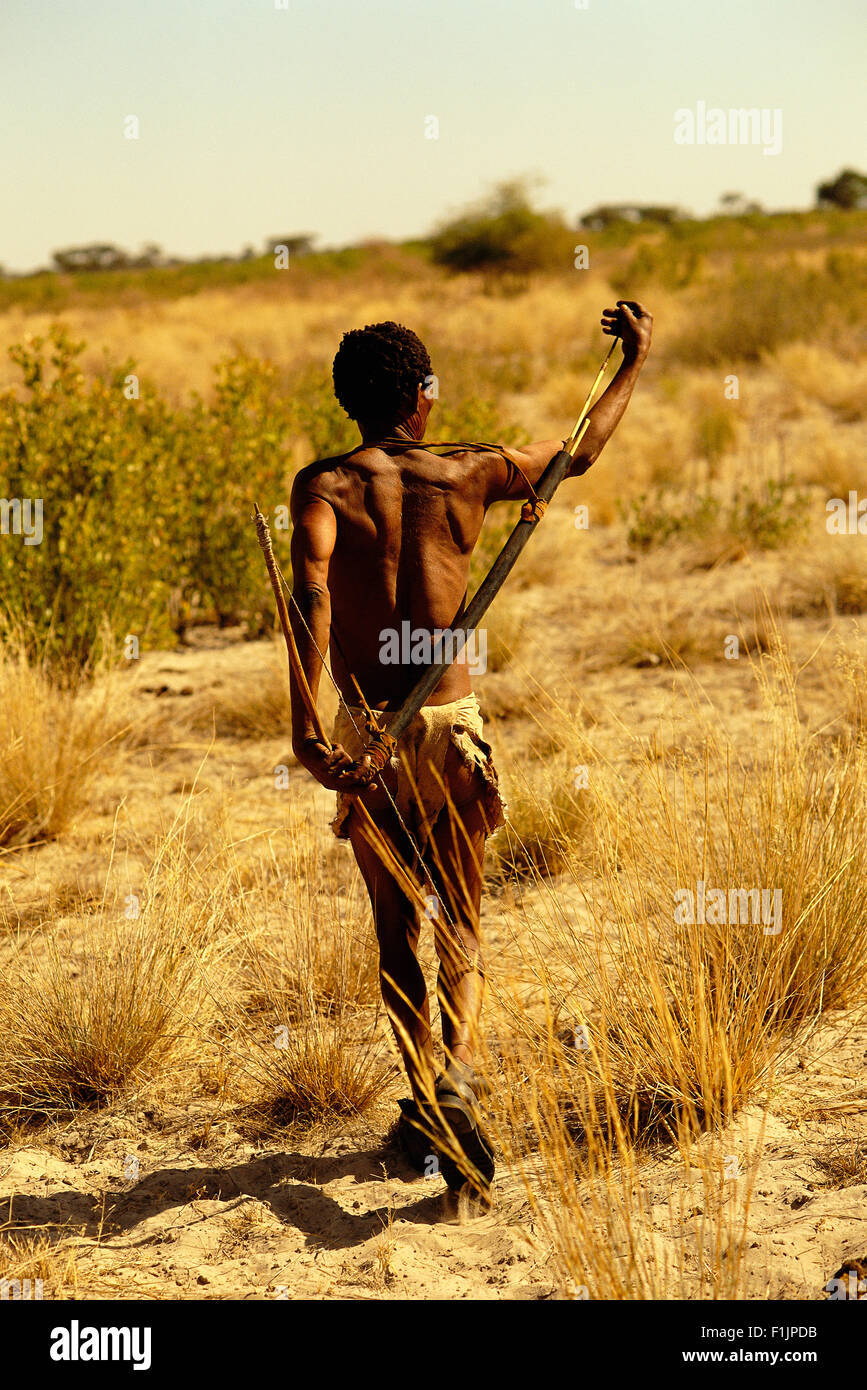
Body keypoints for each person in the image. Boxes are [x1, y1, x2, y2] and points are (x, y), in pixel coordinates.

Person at [288, 303, 652, 1195]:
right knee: (461, 919)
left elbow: (310, 599)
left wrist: (305, 730)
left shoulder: (324, 486)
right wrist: (632, 362)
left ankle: (424, 1094)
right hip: (447, 726)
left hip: (366, 734)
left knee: (391, 932)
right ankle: (450, 1081)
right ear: (422, 397)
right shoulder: (470, 470)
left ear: (351, 404)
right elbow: (578, 451)